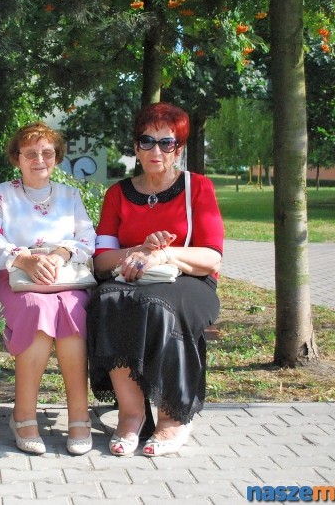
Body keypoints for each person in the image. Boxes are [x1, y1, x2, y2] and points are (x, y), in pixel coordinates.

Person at [88, 102, 224, 457]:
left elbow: (211, 257)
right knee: (107, 299)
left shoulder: (198, 188)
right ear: (135, 147)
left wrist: (163, 255)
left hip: (190, 282)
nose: (156, 150)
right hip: (131, 279)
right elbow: (102, 260)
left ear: (178, 149)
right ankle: (132, 415)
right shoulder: (118, 194)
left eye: (167, 143)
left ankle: (172, 417)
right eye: (147, 141)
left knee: (159, 305)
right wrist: (137, 252)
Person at [0, 122, 96, 456]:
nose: (39, 159)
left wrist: (61, 253)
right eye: (30, 153)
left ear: (57, 158)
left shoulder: (70, 196)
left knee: (73, 310)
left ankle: (79, 414)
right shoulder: (1, 195)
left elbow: (89, 238)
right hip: (17, 280)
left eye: (47, 153)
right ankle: (24, 414)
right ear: (17, 158)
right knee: (37, 309)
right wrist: (23, 258)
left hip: (64, 279)